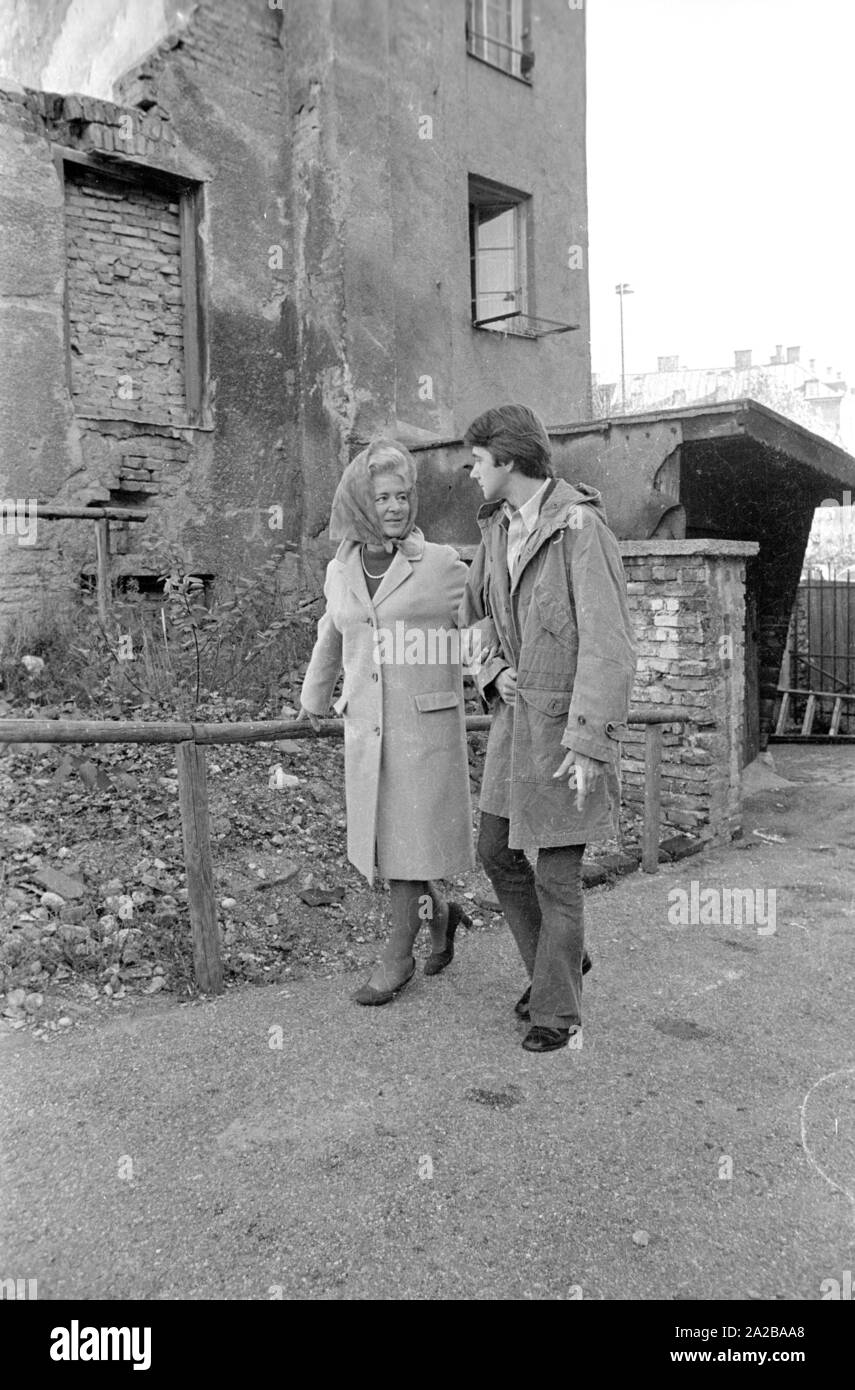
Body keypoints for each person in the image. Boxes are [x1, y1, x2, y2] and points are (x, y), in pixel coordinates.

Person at [460, 405, 636, 1052]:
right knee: (495, 854)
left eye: (477, 460)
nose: (470, 471)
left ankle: (556, 1013)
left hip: (565, 735)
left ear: (506, 460)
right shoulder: (494, 531)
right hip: (513, 728)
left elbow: (608, 644)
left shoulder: (580, 530)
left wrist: (590, 743)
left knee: (555, 875)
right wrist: (491, 671)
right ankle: (557, 963)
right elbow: (473, 617)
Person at [298, 438, 474, 1005]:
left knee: (403, 843)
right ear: (359, 502)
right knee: (392, 841)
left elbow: (483, 626)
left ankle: (398, 956)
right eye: (382, 498)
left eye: (403, 496)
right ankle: (440, 915)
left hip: (425, 728)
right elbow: (334, 631)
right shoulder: (341, 568)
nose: (396, 507)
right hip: (368, 728)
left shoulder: (443, 565)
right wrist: (314, 699)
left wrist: (498, 677)